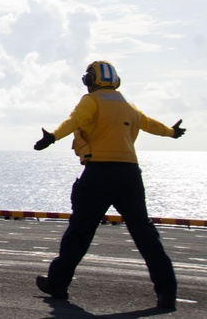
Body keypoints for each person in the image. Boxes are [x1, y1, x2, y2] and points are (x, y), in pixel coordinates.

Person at [33, 60, 185, 309]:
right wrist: (172, 132)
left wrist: (52, 137)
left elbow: (73, 121)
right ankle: (167, 291)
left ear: (90, 81)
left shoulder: (90, 101)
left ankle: (58, 284)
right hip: (129, 174)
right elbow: (150, 124)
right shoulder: (128, 106)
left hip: (99, 173)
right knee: (145, 233)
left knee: (80, 231)